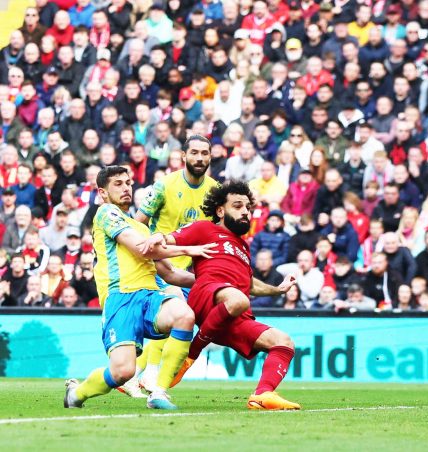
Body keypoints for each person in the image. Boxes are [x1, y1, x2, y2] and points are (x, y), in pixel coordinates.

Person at [64, 166, 215, 410]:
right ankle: (76, 393)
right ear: (102, 192)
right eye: (118, 184)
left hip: (149, 297)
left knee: (184, 315)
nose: (126, 188)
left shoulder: (143, 228)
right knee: (123, 372)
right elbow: (142, 248)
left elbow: (170, 273)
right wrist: (190, 249)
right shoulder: (105, 213)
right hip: (120, 299)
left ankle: (159, 391)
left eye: (128, 183)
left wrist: (210, 281)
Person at [148, 180, 300, 410]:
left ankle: (262, 394)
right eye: (237, 206)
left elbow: (248, 284)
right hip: (208, 294)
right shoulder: (204, 229)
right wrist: (156, 238)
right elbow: (163, 243)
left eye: (248, 208)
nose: (245, 212)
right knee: (238, 299)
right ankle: (193, 352)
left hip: (232, 313)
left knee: (284, 342)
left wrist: (277, 289)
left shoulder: (243, 246)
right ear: (220, 210)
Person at [125, 135, 218, 395]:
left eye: (205, 153)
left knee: (179, 322)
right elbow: (139, 221)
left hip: (185, 270)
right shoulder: (164, 185)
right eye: (195, 153)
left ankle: (133, 374)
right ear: (183, 156)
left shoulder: (214, 190)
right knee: (176, 310)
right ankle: (151, 376)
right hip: (157, 265)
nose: (199, 158)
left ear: (210, 157)